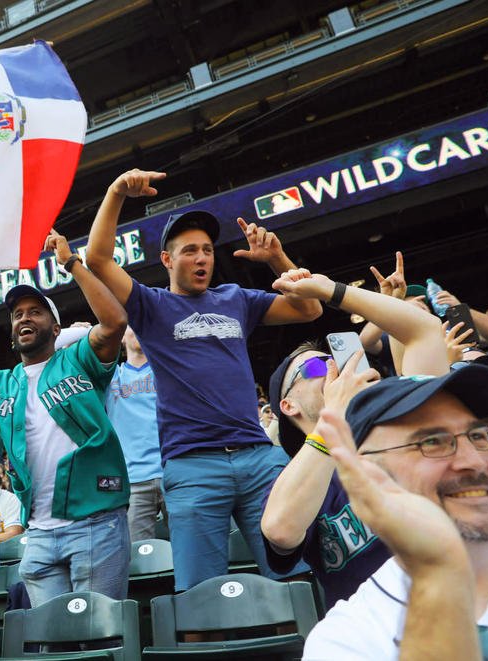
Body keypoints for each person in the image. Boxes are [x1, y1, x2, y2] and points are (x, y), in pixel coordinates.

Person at [85, 169, 321, 590]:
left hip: (258, 458)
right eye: (190, 250)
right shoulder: (150, 306)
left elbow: (310, 311)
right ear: (167, 260)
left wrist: (278, 261)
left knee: (298, 579)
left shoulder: (236, 298)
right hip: (193, 466)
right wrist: (116, 191)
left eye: (208, 250)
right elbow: (98, 259)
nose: (202, 259)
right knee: (200, 594)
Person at [0, 229, 131, 607]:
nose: (24, 317)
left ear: (55, 328)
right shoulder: (2, 383)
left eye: (35, 312)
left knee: (104, 635)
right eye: (18, 314)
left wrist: (72, 263)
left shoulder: (79, 359)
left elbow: (115, 322)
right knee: (53, 642)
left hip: (96, 522)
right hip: (39, 535)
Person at [261, 270, 448, 609]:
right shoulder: (291, 479)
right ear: (287, 405)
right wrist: (334, 419)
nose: (334, 370)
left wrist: (331, 290)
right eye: (317, 369)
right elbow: (280, 530)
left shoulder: (402, 423)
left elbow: (424, 330)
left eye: (335, 361)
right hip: (379, 633)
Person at [302, 365, 488, 660]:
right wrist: (435, 572)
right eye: (432, 442)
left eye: (477, 435)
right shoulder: (347, 639)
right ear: (365, 472)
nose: (474, 461)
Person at [104, 326, 166, 541]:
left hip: (174, 474)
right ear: (120, 335)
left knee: (188, 551)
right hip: (132, 481)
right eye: (133, 324)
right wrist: (79, 335)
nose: (140, 328)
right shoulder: (111, 376)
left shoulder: (168, 369)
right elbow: (68, 362)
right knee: (138, 559)